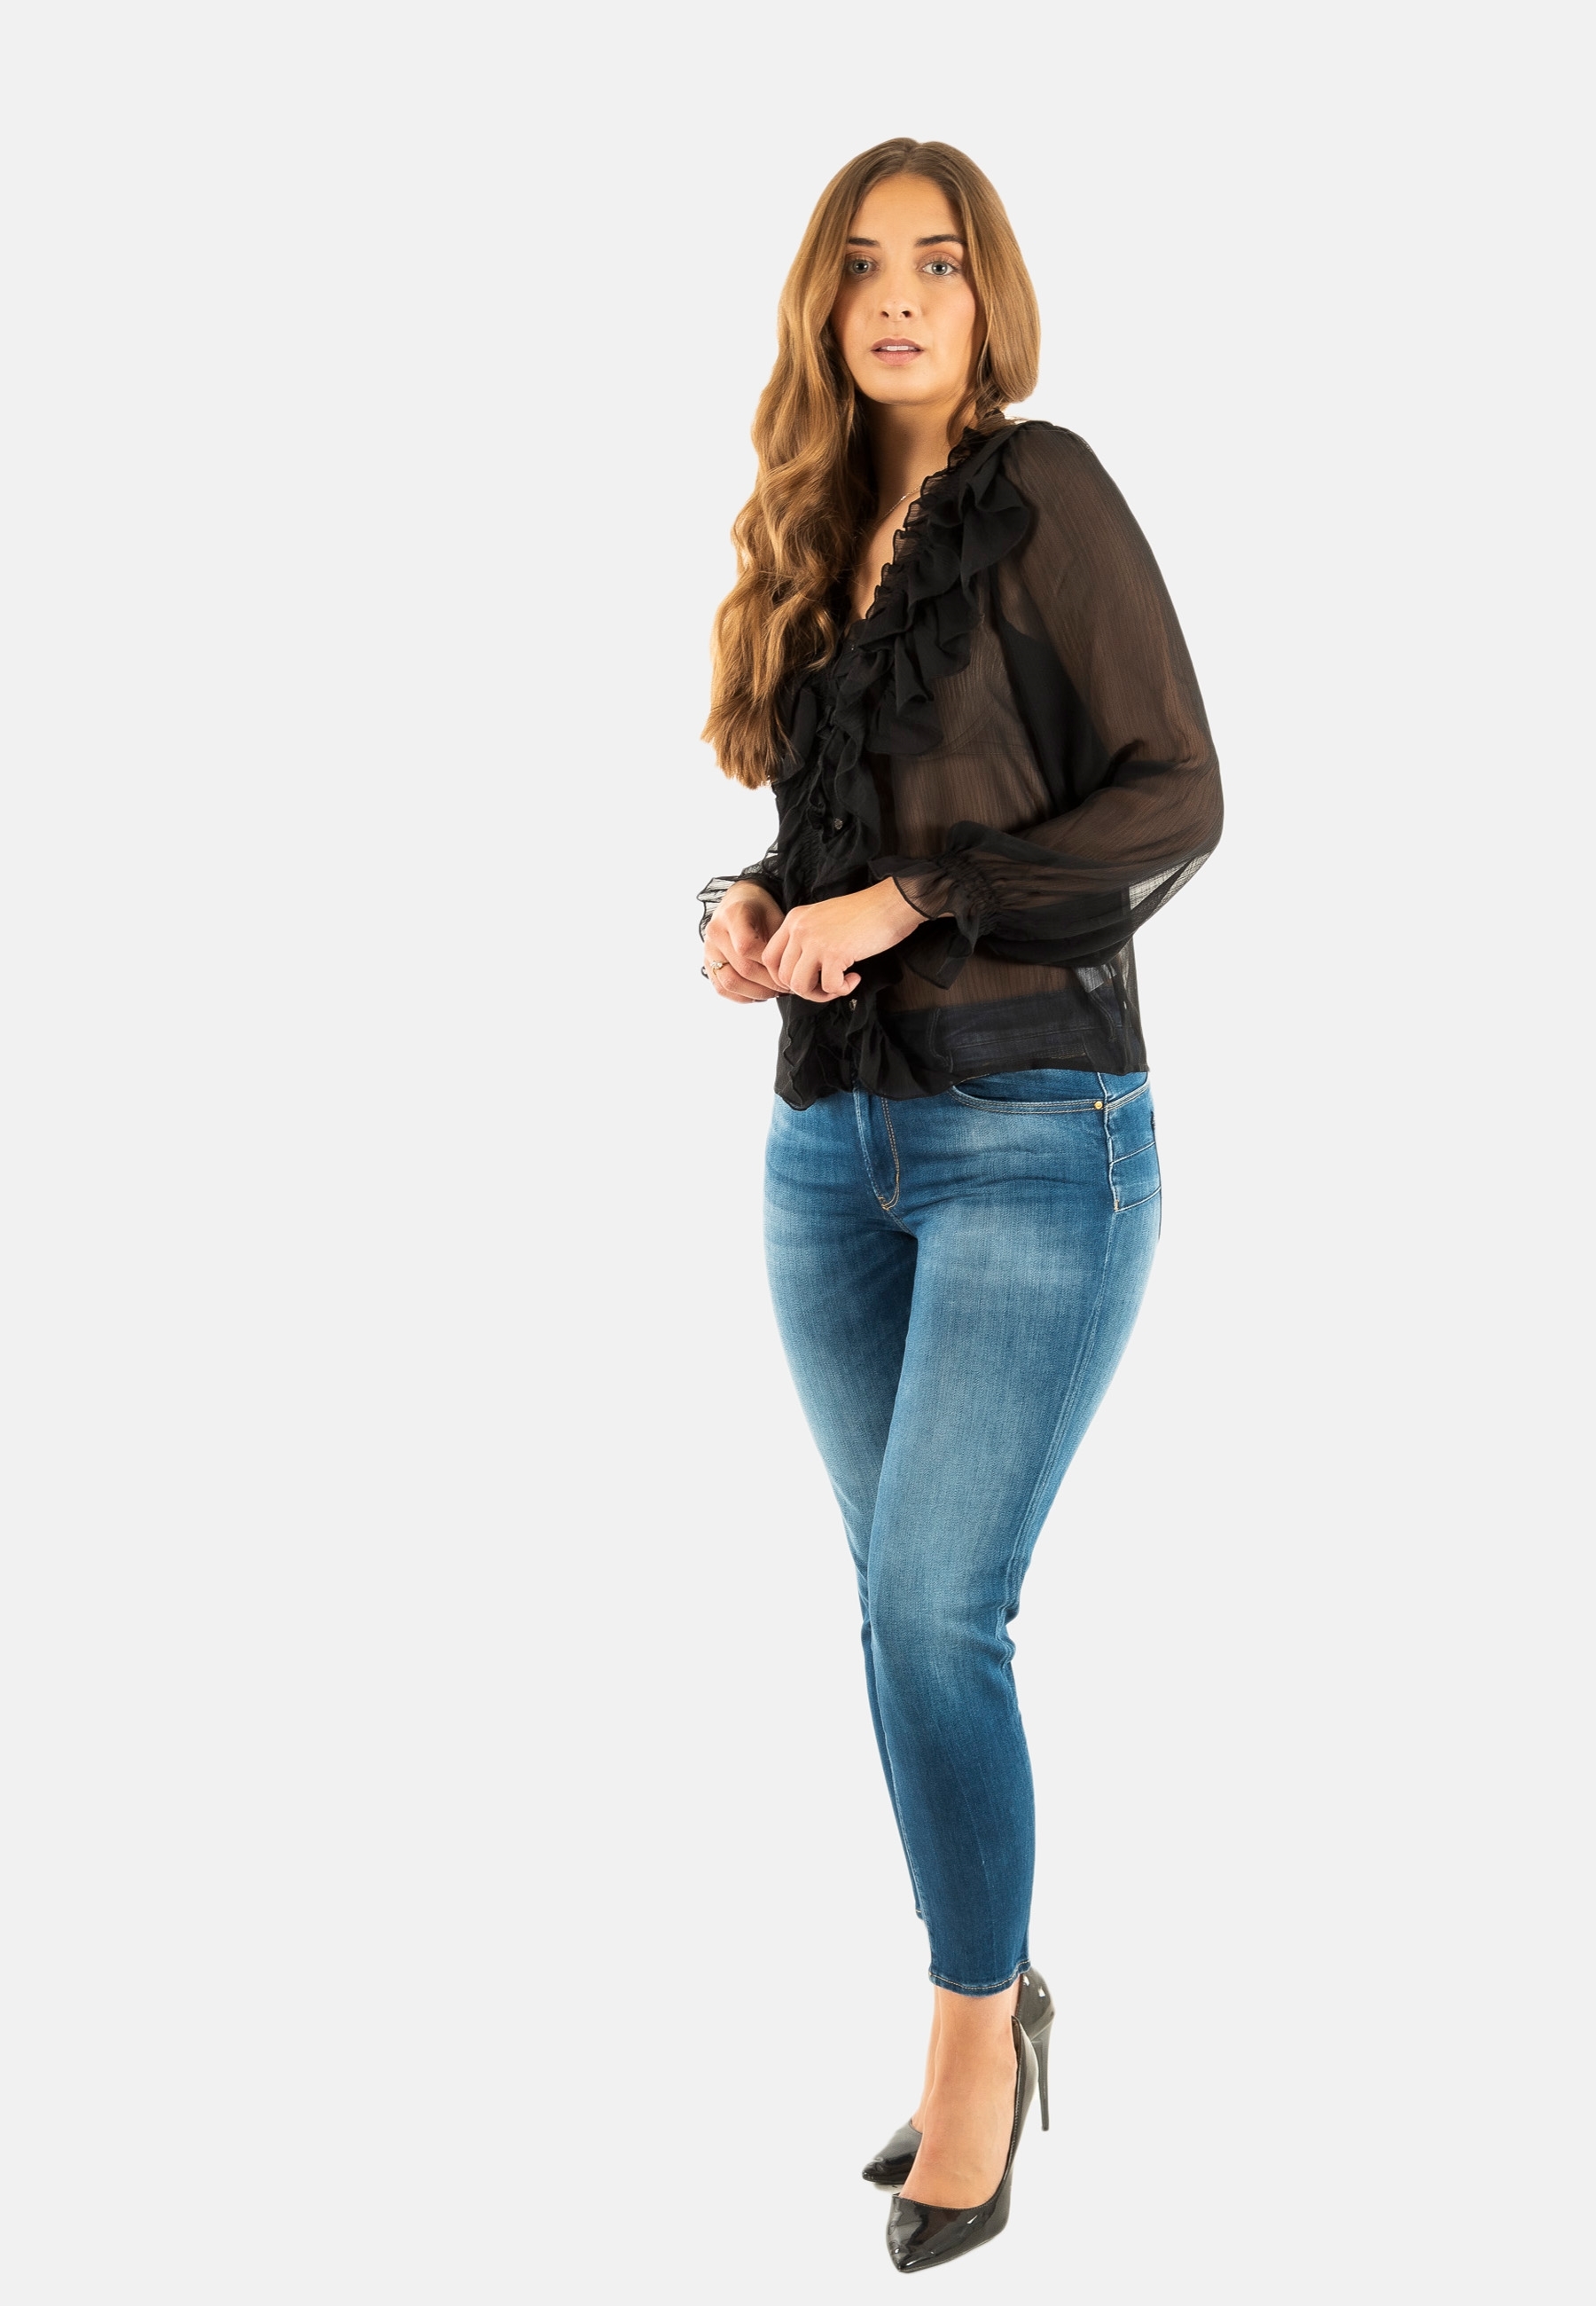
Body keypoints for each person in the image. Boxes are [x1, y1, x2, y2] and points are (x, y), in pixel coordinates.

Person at [698, 137, 1222, 2275]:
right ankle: (998, 1982)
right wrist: (753, 908)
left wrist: (910, 898)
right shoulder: (820, 533)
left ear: (989, 291)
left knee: (937, 1613)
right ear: (823, 307)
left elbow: (1179, 794)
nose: (900, 296)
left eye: (937, 260)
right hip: (834, 1152)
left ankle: (975, 2043)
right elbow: (826, 834)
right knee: (900, 1619)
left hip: (1037, 1134)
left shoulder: (1047, 492)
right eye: (862, 266)